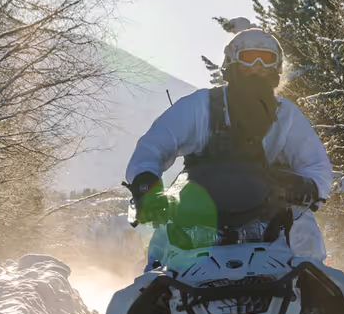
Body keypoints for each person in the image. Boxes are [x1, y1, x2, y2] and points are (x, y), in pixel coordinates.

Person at [124, 26, 333, 267]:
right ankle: (152, 289)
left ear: (277, 68)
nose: (257, 67)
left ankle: (317, 288)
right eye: (248, 59)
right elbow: (153, 147)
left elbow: (316, 164)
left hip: (269, 216)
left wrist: (308, 185)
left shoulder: (287, 116)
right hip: (195, 215)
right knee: (159, 254)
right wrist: (145, 183)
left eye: (266, 60)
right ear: (231, 64)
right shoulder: (198, 106)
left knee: (305, 234)